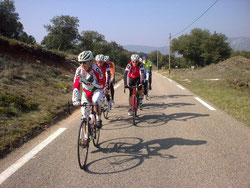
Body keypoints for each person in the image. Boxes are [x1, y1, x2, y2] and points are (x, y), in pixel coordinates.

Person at [72, 51, 104, 129]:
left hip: (97, 90)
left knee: (96, 101)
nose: (82, 65)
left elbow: (102, 85)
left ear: (90, 61)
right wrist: (75, 99)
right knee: (84, 116)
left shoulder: (97, 69)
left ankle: (98, 118)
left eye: (85, 62)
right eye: (80, 62)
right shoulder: (79, 70)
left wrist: (93, 81)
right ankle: (86, 138)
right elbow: (76, 84)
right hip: (86, 92)